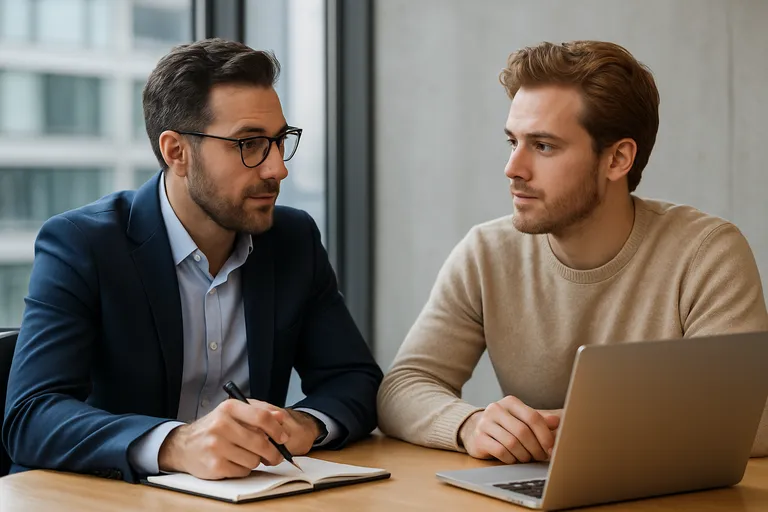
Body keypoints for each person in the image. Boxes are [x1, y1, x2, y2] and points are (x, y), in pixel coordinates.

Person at [3, 38, 382, 482]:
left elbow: (355, 379)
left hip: (247, 497)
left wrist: (303, 424)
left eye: (280, 141)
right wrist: (175, 444)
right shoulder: (83, 244)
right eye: (250, 144)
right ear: (176, 152)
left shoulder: (292, 239)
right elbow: (31, 415)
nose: (276, 168)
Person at [377, 40, 768, 464]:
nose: (513, 168)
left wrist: (589, 432)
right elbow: (404, 386)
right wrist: (469, 424)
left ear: (618, 159)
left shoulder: (706, 254)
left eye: (543, 146)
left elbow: (752, 418)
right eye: (513, 142)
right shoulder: (486, 252)